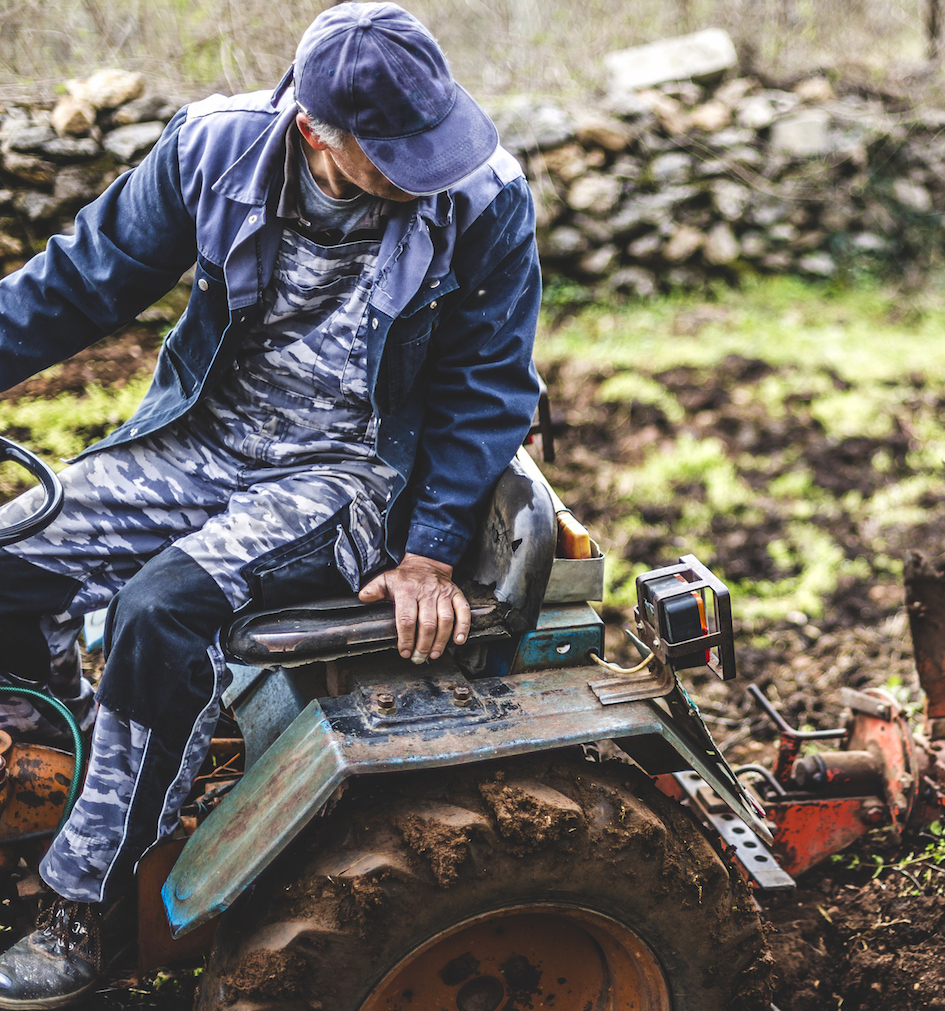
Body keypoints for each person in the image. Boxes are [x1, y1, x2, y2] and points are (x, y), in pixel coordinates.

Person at [0, 3, 541, 1003]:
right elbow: (77, 285)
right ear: (314, 134)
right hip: (206, 440)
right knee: (9, 560)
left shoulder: (483, 199)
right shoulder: (213, 151)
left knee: (163, 609)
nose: (427, 166)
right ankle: (66, 757)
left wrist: (426, 548)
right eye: (394, 154)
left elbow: (488, 387)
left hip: (348, 473)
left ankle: (94, 901)